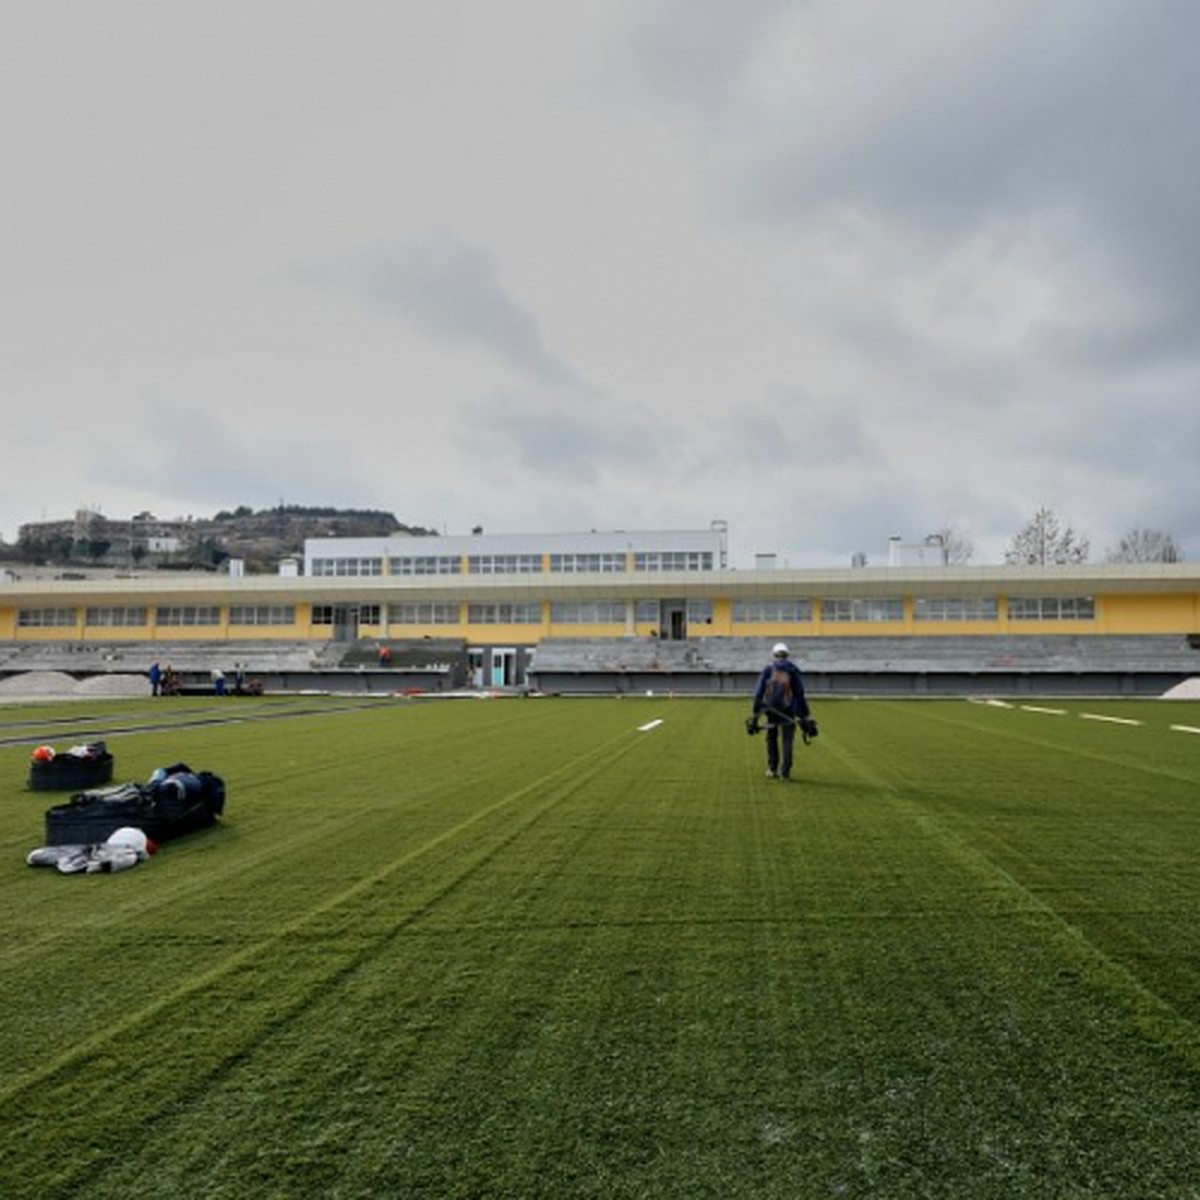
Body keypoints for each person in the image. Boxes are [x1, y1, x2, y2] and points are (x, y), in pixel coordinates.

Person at [752, 642, 812, 781]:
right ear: (787, 655)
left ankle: (772, 769)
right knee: (787, 741)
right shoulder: (792, 670)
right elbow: (799, 694)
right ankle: (785, 772)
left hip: (771, 709)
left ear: (774, 654)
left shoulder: (768, 669)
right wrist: (805, 714)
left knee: (771, 738)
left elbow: (758, 693)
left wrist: (755, 714)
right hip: (788, 710)